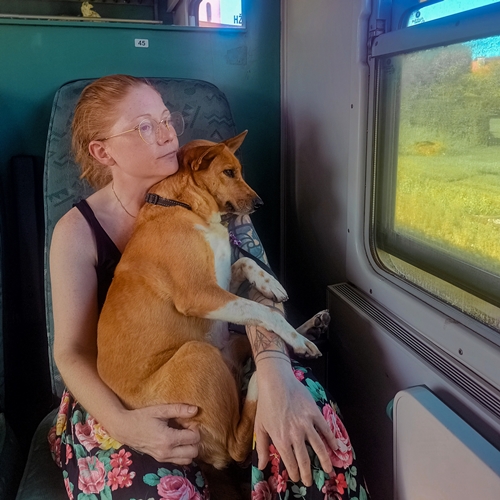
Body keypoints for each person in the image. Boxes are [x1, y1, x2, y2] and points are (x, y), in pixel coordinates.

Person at [48, 74, 370, 500]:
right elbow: (71, 352)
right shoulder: (76, 232)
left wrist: (275, 372)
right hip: (122, 392)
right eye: (145, 127)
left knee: (309, 433)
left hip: (226, 352)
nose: (168, 135)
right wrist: (124, 424)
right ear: (103, 151)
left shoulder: (211, 187)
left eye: (167, 119)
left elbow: (261, 288)